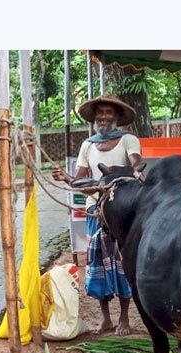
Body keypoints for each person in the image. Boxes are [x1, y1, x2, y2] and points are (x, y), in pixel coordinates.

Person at [52, 94, 141, 336]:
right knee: (97, 263)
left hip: (122, 211)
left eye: (108, 113)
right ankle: (106, 319)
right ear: (94, 118)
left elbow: (135, 166)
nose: (103, 117)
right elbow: (81, 180)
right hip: (95, 210)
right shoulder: (88, 145)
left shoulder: (128, 140)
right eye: (100, 113)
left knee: (122, 264)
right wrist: (66, 178)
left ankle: (124, 317)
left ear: (117, 117)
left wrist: (132, 170)